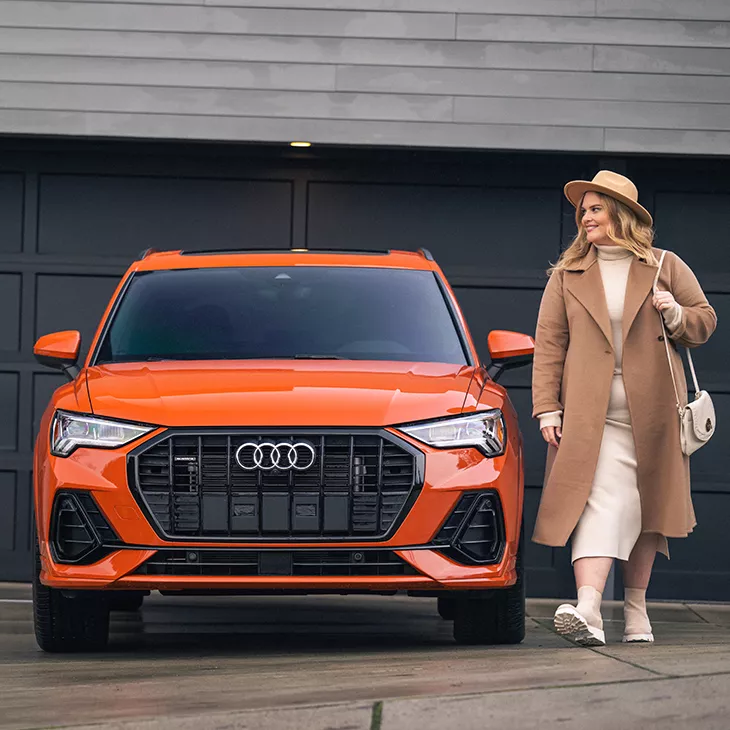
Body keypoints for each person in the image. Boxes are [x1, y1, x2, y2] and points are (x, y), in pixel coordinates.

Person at [531, 170, 717, 646]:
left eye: (595, 208)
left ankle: (635, 609)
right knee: (593, 502)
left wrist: (675, 313)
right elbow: (549, 344)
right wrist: (547, 407)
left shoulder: (664, 265)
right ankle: (590, 606)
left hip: (653, 412)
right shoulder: (567, 274)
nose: (585, 217)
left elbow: (704, 321)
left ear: (622, 214)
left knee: (642, 507)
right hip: (589, 415)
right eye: (583, 210)